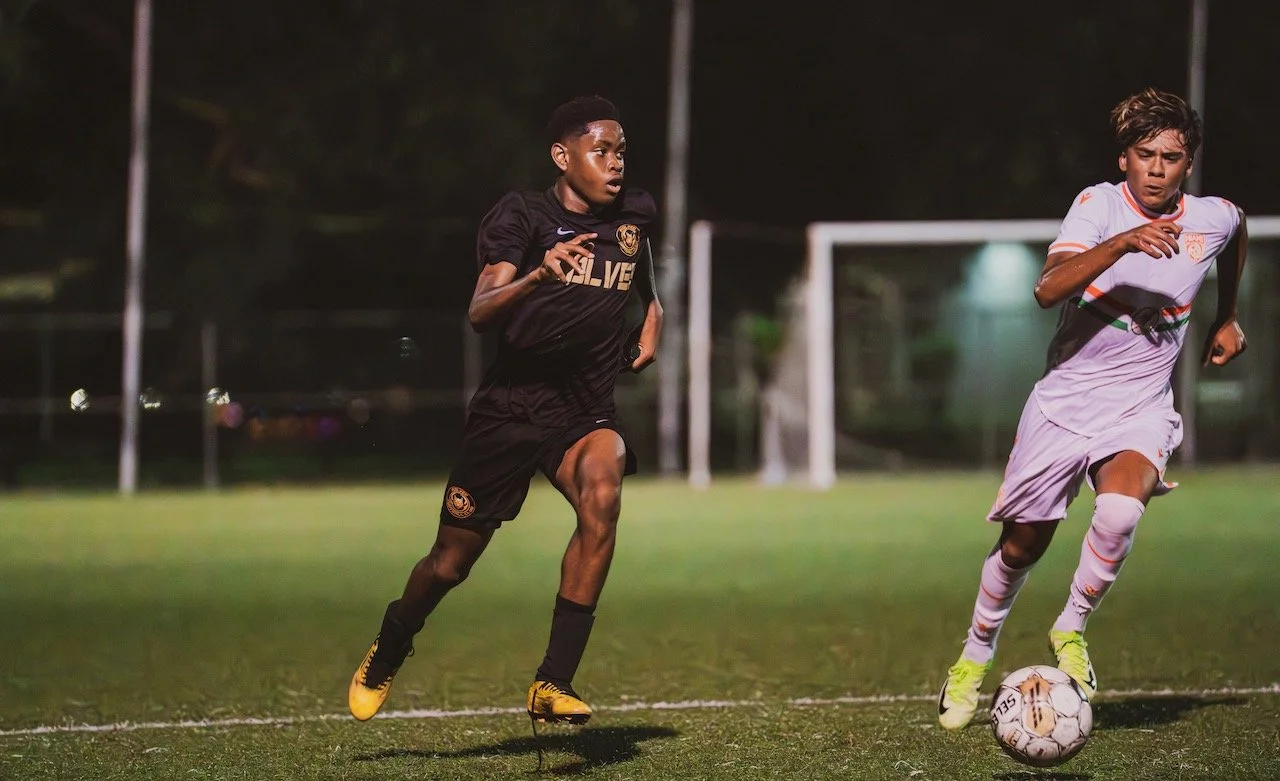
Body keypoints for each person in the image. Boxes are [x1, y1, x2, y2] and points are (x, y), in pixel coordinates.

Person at [937, 87, 1249, 730]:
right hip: (1065, 402)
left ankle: (1070, 626)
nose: (1158, 169)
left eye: (1171, 157)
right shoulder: (1098, 206)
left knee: (1119, 508)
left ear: (1188, 163)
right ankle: (973, 656)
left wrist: (1228, 316)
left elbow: (1237, 232)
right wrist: (1123, 244)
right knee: (1023, 545)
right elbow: (1048, 289)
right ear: (1125, 159)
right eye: (1145, 155)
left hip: (1139, 404)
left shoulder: (1210, 218)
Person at [348, 95, 663, 727]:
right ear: (562, 155)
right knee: (449, 564)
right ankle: (391, 642)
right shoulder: (522, 217)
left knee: (604, 491)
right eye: (600, 150)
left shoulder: (635, 213)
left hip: (584, 408)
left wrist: (654, 317)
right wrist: (538, 277)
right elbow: (480, 311)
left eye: (621, 150)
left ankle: (553, 681)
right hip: (511, 408)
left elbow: (643, 269)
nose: (615, 163)